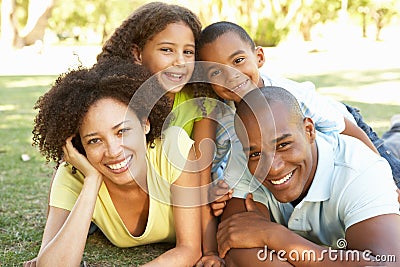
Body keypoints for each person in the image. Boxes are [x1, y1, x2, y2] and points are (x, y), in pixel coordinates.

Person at [195, 21, 400, 214]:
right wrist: (218, 188)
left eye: (238, 61)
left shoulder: (293, 95)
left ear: (259, 57)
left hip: (347, 129)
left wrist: (386, 181)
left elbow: (347, 128)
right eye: (216, 72)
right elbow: (219, 161)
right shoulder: (222, 118)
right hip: (296, 148)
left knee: (393, 188)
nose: (231, 77)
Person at [24, 59, 202, 266]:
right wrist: (92, 180)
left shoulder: (173, 148)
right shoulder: (74, 174)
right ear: (78, 145)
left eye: (122, 131)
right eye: (94, 140)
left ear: (145, 123)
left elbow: (189, 250)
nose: (114, 151)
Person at [96, 3, 222, 265]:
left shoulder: (200, 100)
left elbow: (201, 172)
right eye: (167, 50)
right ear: (137, 53)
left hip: (181, 198)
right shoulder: (118, 100)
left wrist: (208, 250)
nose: (180, 61)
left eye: (188, 52)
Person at [218, 86, 400, 266]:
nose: (272, 168)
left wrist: (274, 236)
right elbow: (235, 250)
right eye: (256, 154)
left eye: (283, 145)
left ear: (309, 130)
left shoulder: (362, 171)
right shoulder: (246, 160)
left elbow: (384, 263)